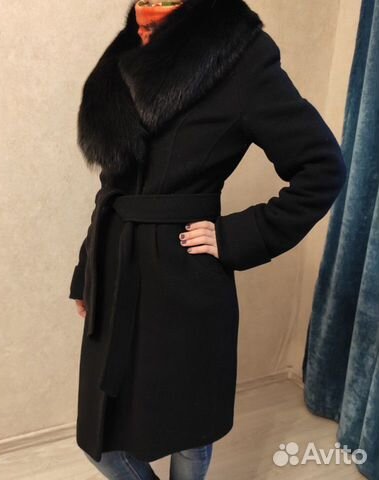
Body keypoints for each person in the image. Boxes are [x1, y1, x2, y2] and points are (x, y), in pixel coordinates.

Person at [68, 0, 347, 478]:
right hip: (115, 269)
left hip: (183, 276)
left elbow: (321, 167)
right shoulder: (130, 46)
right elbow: (113, 185)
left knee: (189, 426)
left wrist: (237, 236)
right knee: (102, 442)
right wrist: (85, 271)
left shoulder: (238, 52)